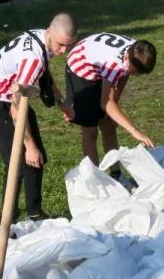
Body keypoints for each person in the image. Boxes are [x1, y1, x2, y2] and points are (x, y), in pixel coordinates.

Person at [0, 13, 77, 221]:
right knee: (19, 162)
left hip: (13, 99)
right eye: (60, 45)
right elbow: (16, 110)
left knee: (36, 159)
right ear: (50, 32)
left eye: (68, 46)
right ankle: (7, 222)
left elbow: (45, 76)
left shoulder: (43, 39)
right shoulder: (33, 59)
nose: (63, 51)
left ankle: (35, 212)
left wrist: (62, 102)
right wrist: (29, 146)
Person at [65, 31, 158, 181]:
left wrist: (113, 108)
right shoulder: (113, 64)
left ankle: (116, 176)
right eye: (135, 71)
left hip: (101, 67)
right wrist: (134, 131)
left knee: (109, 125)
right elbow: (106, 102)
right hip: (81, 71)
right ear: (127, 57)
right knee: (90, 131)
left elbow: (124, 76)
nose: (135, 75)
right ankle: (96, 180)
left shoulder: (136, 51)